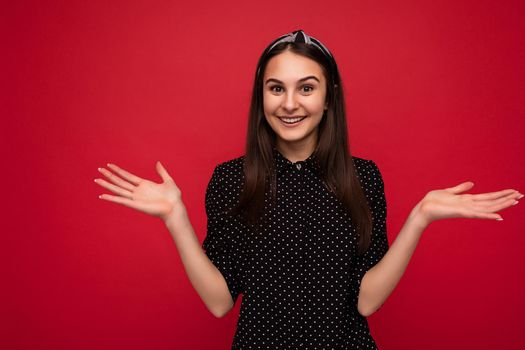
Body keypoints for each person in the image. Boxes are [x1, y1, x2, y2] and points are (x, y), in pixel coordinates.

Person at [94, 29, 522, 349]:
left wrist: (421, 217)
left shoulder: (363, 178)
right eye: (276, 88)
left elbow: (366, 302)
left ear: (329, 97)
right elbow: (220, 302)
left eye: (307, 88)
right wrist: (176, 219)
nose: (290, 104)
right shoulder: (230, 180)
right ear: (261, 96)